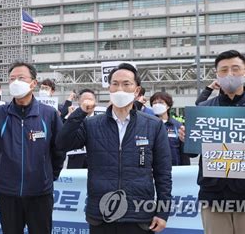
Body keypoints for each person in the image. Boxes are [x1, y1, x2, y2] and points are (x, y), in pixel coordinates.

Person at [56, 63, 172, 233]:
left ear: (137, 90)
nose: (120, 89)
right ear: (109, 88)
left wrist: (163, 212)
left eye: (126, 84)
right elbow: (62, 144)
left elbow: (163, 172)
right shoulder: (92, 124)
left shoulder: (153, 125)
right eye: (115, 84)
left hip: (139, 215)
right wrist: (79, 114)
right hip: (101, 214)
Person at [179, 50, 245, 234]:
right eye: (224, 70)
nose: (230, 74)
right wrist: (185, 138)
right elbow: (191, 152)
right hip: (213, 195)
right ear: (217, 75)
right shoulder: (202, 109)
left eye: (236, 69)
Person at [0, 62, 65, 234]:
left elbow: (59, 150)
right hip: (8, 192)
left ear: (33, 83)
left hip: (40, 193)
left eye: (21, 78)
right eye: (12, 79)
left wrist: (49, 175)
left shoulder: (49, 114)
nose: (16, 82)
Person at [150, 92, 192, 166]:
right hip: (153, 169)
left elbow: (183, 151)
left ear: (168, 106)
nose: (157, 105)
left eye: (160, 102)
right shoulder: (147, 125)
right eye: (154, 103)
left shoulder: (177, 125)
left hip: (175, 168)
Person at [64, 88, 97, 169]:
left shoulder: (101, 120)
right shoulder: (73, 118)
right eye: (84, 100)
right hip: (75, 161)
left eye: (90, 100)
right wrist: (69, 117)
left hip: (95, 163)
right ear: (79, 102)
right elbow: (63, 137)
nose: (87, 103)